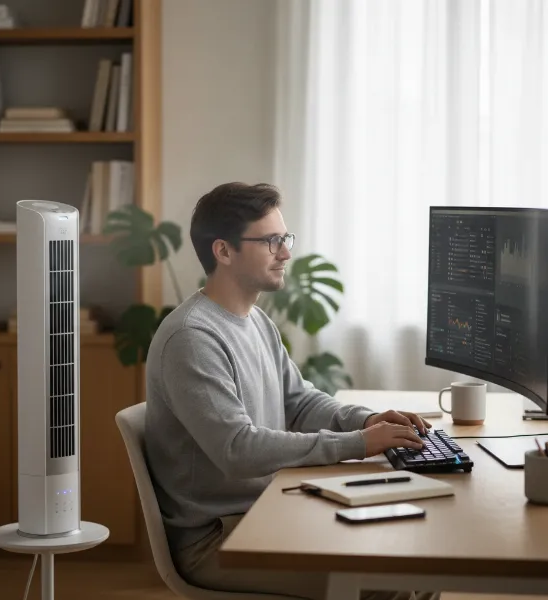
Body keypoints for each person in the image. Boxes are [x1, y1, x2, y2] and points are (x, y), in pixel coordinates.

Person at [144, 182, 440, 600]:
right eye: (270, 241)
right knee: (387, 583)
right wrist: (358, 443)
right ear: (223, 251)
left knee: (415, 558)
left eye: (284, 238)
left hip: (269, 509)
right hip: (218, 538)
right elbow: (237, 449)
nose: (285, 253)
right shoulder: (192, 337)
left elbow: (299, 402)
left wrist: (368, 421)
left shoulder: (255, 321)